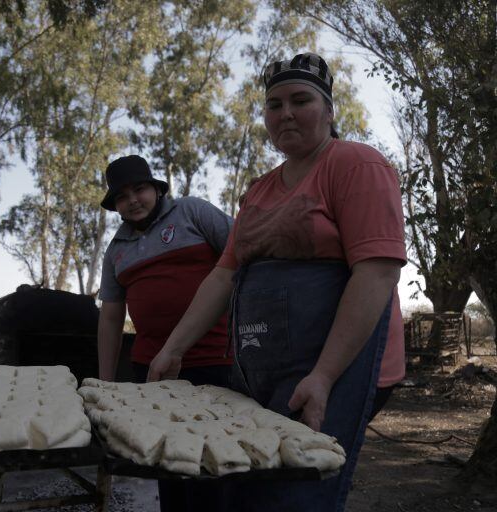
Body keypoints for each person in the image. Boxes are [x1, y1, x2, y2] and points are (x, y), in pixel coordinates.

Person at [148, 52, 406, 512]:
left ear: (329, 111)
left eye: (300, 100)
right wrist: (174, 348)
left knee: (297, 491)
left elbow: (377, 272)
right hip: (263, 368)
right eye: (273, 104)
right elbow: (224, 275)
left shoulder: (356, 165)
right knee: (248, 483)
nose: (285, 113)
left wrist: (324, 375)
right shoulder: (260, 190)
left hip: (335, 367)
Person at [97, 154, 233, 512]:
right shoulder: (116, 251)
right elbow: (111, 318)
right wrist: (105, 384)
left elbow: (242, 254)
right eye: (123, 196)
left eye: (139, 189)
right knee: (166, 460)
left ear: (156, 189)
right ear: (116, 206)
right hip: (151, 371)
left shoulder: (192, 212)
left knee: (212, 462)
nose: (133, 200)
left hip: (214, 361)